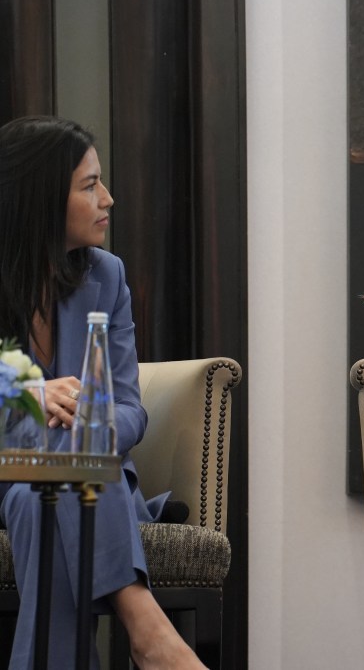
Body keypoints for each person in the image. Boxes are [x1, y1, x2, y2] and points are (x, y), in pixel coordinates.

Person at [0, 116, 205, 669]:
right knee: (55, 471)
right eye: (90, 185)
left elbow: (130, 408)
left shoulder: (106, 275)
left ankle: (150, 640)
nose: (108, 198)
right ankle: (149, 633)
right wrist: (28, 394)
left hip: (76, 478)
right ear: (42, 199)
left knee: (46, 496)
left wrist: (95, 423)